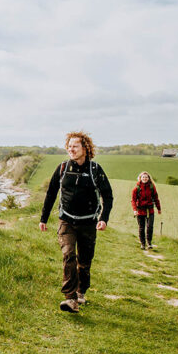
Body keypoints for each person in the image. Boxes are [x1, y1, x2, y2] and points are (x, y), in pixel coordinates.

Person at [39, 132, 114, 313]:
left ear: (85, 148)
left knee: (85, 261)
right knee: (68, 255)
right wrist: (43, 218)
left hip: (88, 223)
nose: (71, 149)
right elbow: (51, 194)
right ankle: (70, 298)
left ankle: (81, 291)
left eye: (75, 146)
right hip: (67, 221)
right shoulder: (63, 167)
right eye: (69, 146)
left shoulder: (95, 170)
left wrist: (103, 219)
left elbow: (108, 196)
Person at [131, 171, 161, 250]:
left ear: (148, 178)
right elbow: (133, 200)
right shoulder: (136, 188)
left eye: (146, 177)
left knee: (150, 227)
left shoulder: (152, 187)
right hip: (140, 211)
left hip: (150, 210)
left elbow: (156, 198)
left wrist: (159, 208)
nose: (145, 178)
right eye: (143, 177)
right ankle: (143, 243)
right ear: (140, 178)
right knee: (141, 228)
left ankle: (149, 243)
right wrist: (134, 210)